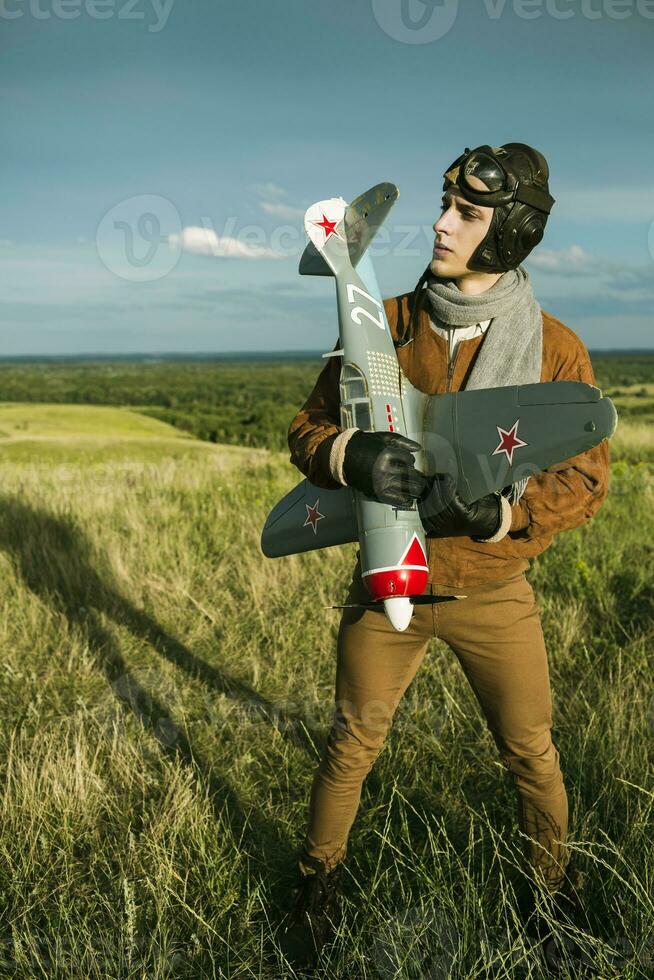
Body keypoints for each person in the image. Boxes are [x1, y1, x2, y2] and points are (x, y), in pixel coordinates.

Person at [280, 143, 610, 968]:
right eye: (443, 204)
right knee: (350, 743)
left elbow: (584, 480)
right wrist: (347, 456)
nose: (440, 223)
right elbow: (306, 429)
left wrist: (497, 514)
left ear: (509, 232)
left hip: (493, 593)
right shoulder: (384, 323)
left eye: (466, 213)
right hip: (387, 588)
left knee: (531, 751)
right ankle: (315, 893)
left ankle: (553, 900)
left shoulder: (555, 347)